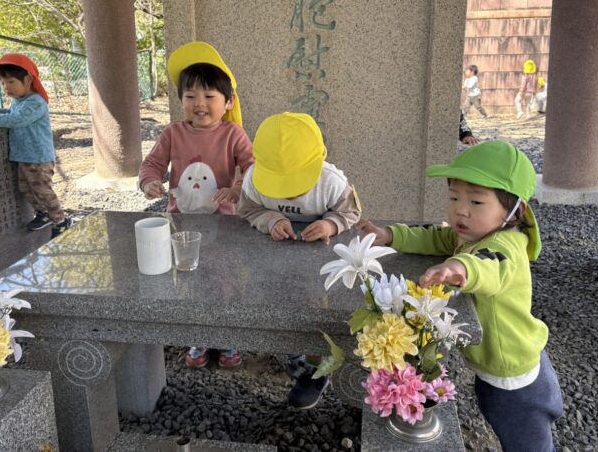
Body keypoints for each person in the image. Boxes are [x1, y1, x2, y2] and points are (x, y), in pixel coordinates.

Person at [358, 141, 563, 451]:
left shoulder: (505, 245)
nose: (461, 210)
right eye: (454, 197)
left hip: (513, 375)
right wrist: (391, 235)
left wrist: (458, 267)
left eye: (477, 202)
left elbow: (488, 265)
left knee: (525, 440)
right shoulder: (474, 234)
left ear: (515, 211)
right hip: (494, 364)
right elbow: (437, 237)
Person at [139, 41, 254, 370]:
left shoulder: (233, 134)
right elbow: (152, 165)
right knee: (189, 281)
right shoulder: (173, 133)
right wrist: (149, 182)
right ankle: (199, 337)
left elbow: (252, 167)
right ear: (181, 101)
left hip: (223, 225)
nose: (199, 103)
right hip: (182, 225)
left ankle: (227, 338)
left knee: (224, 281)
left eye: (209, 96)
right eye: (190, 96)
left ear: (228, 102)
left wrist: (236, 189)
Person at [238, 112, 361, 408]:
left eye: (297, 183)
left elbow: (351, 212)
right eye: (280, 185)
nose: (290, 193)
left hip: (319, 261)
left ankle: (316, 368)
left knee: (317, 311)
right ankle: (293, 351)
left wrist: (330, 224)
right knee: (275, 301)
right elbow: (249, 209)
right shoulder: (254, 180)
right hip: (274, 259)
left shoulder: (331, 182)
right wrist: (270, 219)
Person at [0, 54, 71, 239]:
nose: (6, 87)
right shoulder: (19, 101)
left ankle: (61, 220)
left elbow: (18, 119)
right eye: (3, 83)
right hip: (24, 156)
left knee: (42, 189)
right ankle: (43, 214)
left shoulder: (36, 102)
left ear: (28, 80)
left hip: (38, 157)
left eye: (11, 82)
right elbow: (13, 113)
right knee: (27, 188)